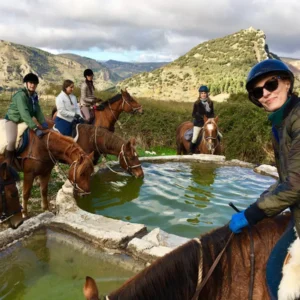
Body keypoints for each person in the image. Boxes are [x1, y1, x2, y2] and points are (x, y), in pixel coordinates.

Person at [229, 59, 300, 297]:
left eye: (271, 84)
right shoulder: (280, 124)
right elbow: (285, 178)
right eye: (259, 92)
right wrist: (258, 204)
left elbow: (295, 184)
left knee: (276, 276)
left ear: (287, 83)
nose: (266, 94)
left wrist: (252, 214)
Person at [5, 72, 48, 166]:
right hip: (13, 120)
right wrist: (35, 128)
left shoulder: (34, 96)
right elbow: (24, 113)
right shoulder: (21, 95)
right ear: (26, 83)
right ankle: (7, 164)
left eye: (34, 83)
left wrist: (44, 123)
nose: (32, 85)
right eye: (30, 83)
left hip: (23, 121)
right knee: (12, 141)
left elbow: (38, 111)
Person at [189, 85, 215, 154]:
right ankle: (191, 151)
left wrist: (211, 119)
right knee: (194, 138)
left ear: (207, 94)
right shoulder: (196, 103)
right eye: (202, 93)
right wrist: (202, 118)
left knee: (219, 135)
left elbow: (212, 113)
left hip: (208, 123)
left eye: (204, 93)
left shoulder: (210, 103)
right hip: (199, 123)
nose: (203, 94)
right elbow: (193, 114)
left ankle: (217, 149)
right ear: (200, 94)